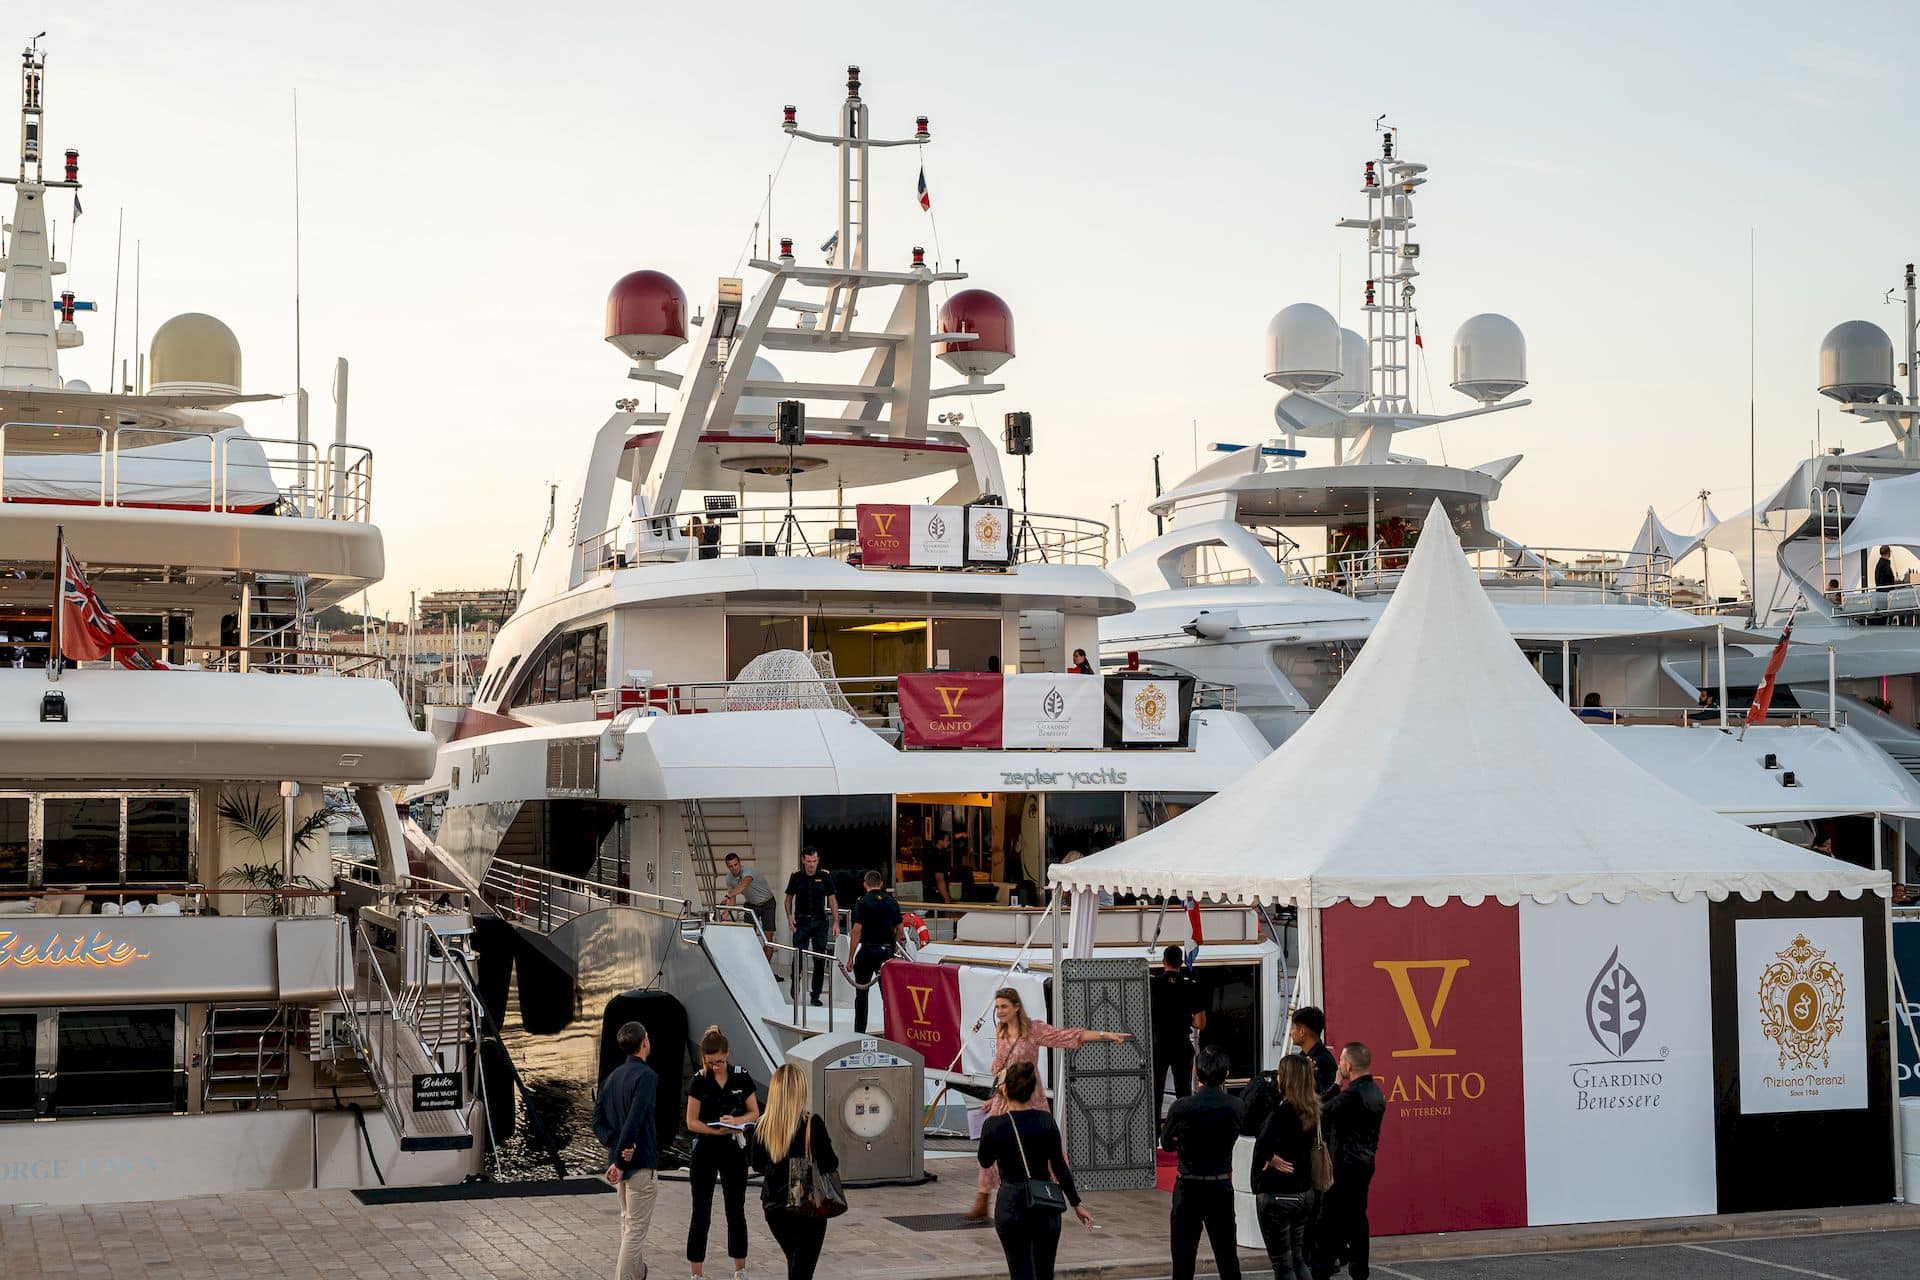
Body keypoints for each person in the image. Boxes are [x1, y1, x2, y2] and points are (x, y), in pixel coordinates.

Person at [966, 987, 1132, 1220]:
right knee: (990, 1145)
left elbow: (1068, 1036)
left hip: (1030, 1095)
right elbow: (1000, 1066)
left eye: (1004, 1006)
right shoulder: (1000, 1031)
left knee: (1049, 1147)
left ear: (1016, 1007)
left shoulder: (1034, 1030)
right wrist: (996, 1095)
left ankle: (1055, 1192)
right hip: (1006, 1096)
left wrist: (1105, 1036)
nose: (1000, 1011)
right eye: (997, 1007)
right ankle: (983, 1197)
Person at [977, 1061, 1094, 1280]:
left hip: (1012, 1202)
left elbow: (985, 1160)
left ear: (1004, 1089)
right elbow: (1059, 1166)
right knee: (1044, 1271)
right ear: (1032, 1091)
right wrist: (1076, 1203)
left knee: (1020, 1270)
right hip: (1044, 1201)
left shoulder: (994, 1125)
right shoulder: (1045, 1120)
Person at [750, 1064, 839, 1280]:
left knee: (795, 1262)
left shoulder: (762, 1126)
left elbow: (757, 1165)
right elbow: (830, 1163)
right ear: (801, 1091)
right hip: (805, 1204)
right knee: (803, 1270)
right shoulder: (812, 1124)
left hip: (774, 1206)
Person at [1161, 1046, 1242, 1280]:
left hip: (1189, 1184)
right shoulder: (1235, 1106)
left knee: (1183, 1261)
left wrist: (1180, 1140)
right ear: (1226, 1074)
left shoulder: (1183, 1107)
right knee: (1227, 1258)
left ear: (1197, 1073)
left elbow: (1166, 1143)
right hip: (1220, 1184)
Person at [685, 1026, 759, 1280]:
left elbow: (754, 1113)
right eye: (711, 1062)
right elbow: (691, 1121)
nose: (716, 1066)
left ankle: (740, 1268)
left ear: (728, 1054)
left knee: (735, 1209)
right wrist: (712, 1130)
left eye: (720, 1061)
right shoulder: (699, 1080)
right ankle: (696, 1272)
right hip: (707, 1146)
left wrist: (737, 1121)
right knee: (701, 1210)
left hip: (732, 1147)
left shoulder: (740, 1077)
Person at [591, 1020, 659, 1280]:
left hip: (619, 1164)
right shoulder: (647, 1077)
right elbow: (636, 1117)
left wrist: (617, 1147)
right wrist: (621, 1156)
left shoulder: (611, 1078)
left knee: (628, 1224)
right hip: (638, 1164)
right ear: (644, 1043)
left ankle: (638, 1274)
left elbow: (597, 1122)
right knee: (635, 1231)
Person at [1314, 1043, 1384, 1280]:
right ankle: (1358, 1270)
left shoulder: (1351, 1096)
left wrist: (1334, 1084)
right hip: (1365, 1164)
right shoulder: (1376, 1092)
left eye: (1341, 1061)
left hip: (1344, 1167)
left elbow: (1319, 1110)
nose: (1339, 1065)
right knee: (1357, 1219)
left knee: (1327, 1221)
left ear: (1349, 1065)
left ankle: (1323, 1269)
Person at [1251, 1056, 1321, 1280]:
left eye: (1280, 1075)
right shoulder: (1312, 1110)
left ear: (1287, 1080)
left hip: (1278, 1193)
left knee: (1283, 1264)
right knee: (1297, 1257)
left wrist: (1270, 1158)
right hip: (1303, 1191)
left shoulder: (1282, 1113)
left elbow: (1261, 1143)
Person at [1150, 944, 1206, 1118]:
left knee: (1155, 1092)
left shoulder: (1152, 983)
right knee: (1183, 1093)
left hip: (1158, 1043)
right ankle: (1184, 1134)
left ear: (1163, 961)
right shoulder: (1192, 985)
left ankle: (1154, 1137)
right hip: (1181, 1044)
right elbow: (1200, 1023)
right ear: (1181, 963)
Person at [846, 869, 903, 1033]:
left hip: (867, 951)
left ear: (865, 884)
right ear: (881, 884)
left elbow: (856, 930)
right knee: (888, 996)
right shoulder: (892, 901)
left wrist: (850, 958)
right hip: (886, 953)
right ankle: (891, 1030)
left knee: (862, 995)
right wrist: (894, 942)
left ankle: (859, 1031)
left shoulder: (862, 902)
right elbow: (899, 928)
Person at [784, 848, 838, 1007]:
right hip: (801, 921)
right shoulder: (796, 877)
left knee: (820, 959)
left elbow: (833, 900)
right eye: (808, 861)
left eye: (814, 861)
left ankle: (815, 995)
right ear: (803, 860)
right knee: (798, 956)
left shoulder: (824, 876)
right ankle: (795, 986)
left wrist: (835, 921)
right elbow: (788, 899)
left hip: (820, 922)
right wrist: (789, 917)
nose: (811, 865)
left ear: (818, 860)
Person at [721, 851, 777, 938]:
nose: (734, 868)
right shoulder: (729, 878)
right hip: (751, 905)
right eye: (731, 866)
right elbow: (732, 899)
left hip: (767, 903)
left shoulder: (748, 871)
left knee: (768, 937)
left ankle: (765, 951)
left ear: (739, 863)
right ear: (727, 867)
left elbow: (743, 885)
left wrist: (728, 895)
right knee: (749, 935)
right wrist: (726, 913)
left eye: (736, 864)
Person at [1289, 1007, 1337, 1098]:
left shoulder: (1323, 1061)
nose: (1290, 1033)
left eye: (1293, 1028)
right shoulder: (1302, 1057)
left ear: (1302, 1032)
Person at [920, 833, 952, 905]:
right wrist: (947, 899)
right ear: (940, 841)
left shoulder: (930, 852)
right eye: (947, 840)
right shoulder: (938, 856)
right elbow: (940, 879)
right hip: (936, 893)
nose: (949, 842)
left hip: (928, 891)